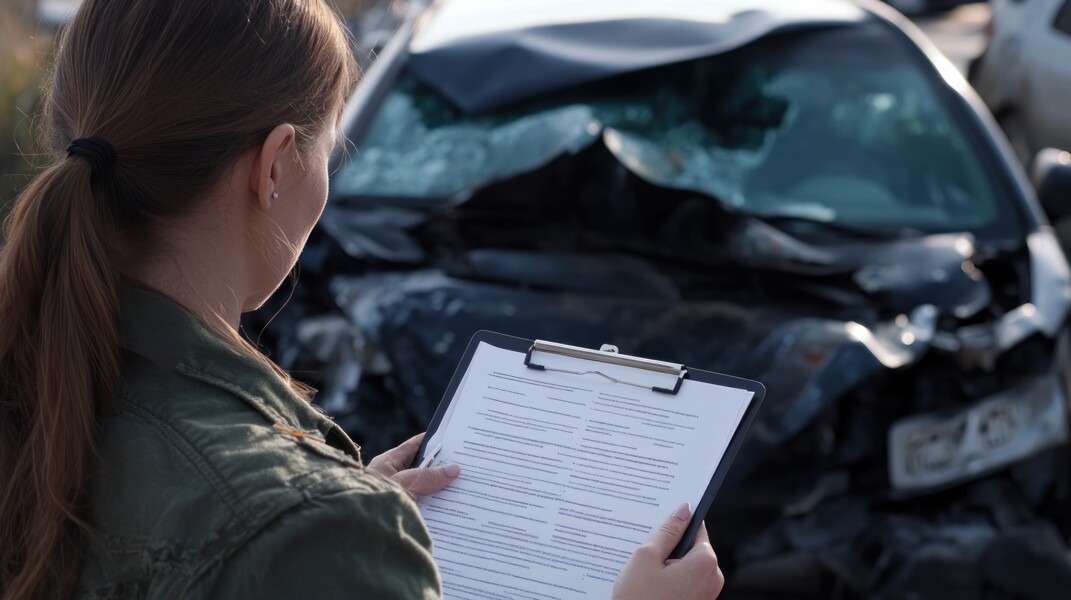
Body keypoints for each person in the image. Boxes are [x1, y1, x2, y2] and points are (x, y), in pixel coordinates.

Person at [0, 1, 726, 598]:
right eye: (328, 151)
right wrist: (334, 528)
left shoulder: (37, 378)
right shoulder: (310, 528)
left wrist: (347, 525)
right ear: (275, 165)